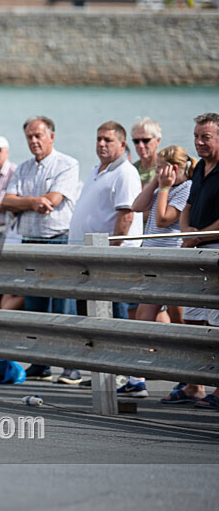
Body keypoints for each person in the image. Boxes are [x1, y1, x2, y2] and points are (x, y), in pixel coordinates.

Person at [1, 116, 80, 384]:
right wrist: (33, 201)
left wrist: (26, 201)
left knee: (63, 308)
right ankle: (40, 361)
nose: (34, 141)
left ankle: (71, 366)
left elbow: (55, 200)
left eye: (39, 136)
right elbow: (7, 201)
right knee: (35, 307)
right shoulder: (22, 168)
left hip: (58, 241)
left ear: (52, 136)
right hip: (30, 242)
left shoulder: (68, 164)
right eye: (30, 137)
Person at [69, 121, 143, 384]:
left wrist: (108, 254)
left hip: (110, 259)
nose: (101, 144)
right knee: (94, 318)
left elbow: (126, 216)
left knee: (115, 315)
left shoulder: (125, 172)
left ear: (122, 145)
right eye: (99, 139)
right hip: (89, 257)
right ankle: (103, 373)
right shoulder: (97, 169)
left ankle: (122, 374)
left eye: (108, 140)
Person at [123, 145, 195, 398]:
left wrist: (164, 187)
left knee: (180, 322)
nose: (157, 171)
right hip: (153, 261)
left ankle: (189, 378)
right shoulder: (161, 187)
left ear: (173, 168)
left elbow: (165, 219)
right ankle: (137, 377)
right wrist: (156, 182)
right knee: (144, 318)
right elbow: (136, 206)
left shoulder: (185, 188)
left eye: (161, 166)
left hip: (171, 262)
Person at [161, 113, 219, 409]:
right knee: (194, 321)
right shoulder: (199, 170)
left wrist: (202, 235)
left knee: (217, 322)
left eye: (205, 137)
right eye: (197, 136)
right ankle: (195, 383)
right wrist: (186, 232)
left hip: (214, 249)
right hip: (195, 249)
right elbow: (189, 204)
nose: (199, 142)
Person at [130, 117, 161, 187]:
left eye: (145, 140)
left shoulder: (165, 169)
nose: (140, 145)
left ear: (158, 141)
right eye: (136, 141)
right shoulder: (131, 170)